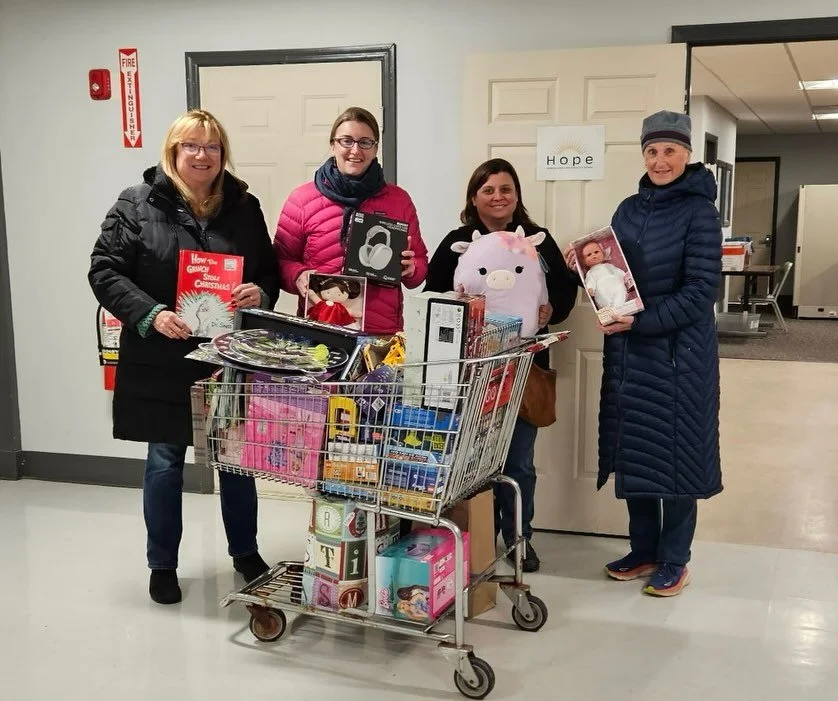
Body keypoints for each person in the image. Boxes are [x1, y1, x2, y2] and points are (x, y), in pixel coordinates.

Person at [89, 109, 281, 605]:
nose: (202, 155)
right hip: (161, 355)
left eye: (212, 146)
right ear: (172, 152)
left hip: (226, 356)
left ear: (223, 154)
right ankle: (162, 565)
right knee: (165, 460)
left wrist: (258, 292)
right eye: (190, 146)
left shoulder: (244, 205)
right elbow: (105, 271)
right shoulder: (135, 204)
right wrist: (151, 314)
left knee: (236, 461)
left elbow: (269, 273)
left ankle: (245, 552)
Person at [565, 110, 722, 597]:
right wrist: (582, 267)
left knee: (676, 459)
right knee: (636, 452)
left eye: (670, 151)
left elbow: (701, 291)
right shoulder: (628, 209)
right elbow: (613, 277)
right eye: (652, 151)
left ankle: (675, 558)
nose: (660, 160)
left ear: (687, 154)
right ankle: (643, 550)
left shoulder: (700, 212)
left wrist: (644, 321)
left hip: (679, 357)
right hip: (630, 355)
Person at [426, 158, 577, 572]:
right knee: (469, 460)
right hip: (469, 371)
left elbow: (564, 293)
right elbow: (432, 295)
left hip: (523, 369)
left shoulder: (538, 242)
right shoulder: (457, 241)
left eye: (506, 189)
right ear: (474, 197)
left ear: (517, 196)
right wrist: (457, 304)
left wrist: (551, 310)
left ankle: (518, 536)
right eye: (488, 189)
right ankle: (475, 537)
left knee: (520, 461)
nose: (497, 197)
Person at [274, 106, 428, 334]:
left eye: (365, 142)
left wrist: (411, 268)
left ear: (375, 149)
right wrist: (297, 276)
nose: (355, 150)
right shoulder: (302, 200)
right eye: (346, 141)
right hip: (320, 328)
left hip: (380, 333)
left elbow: (421, 264)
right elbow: (280, 260)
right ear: (332, 145)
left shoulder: (398, 200)